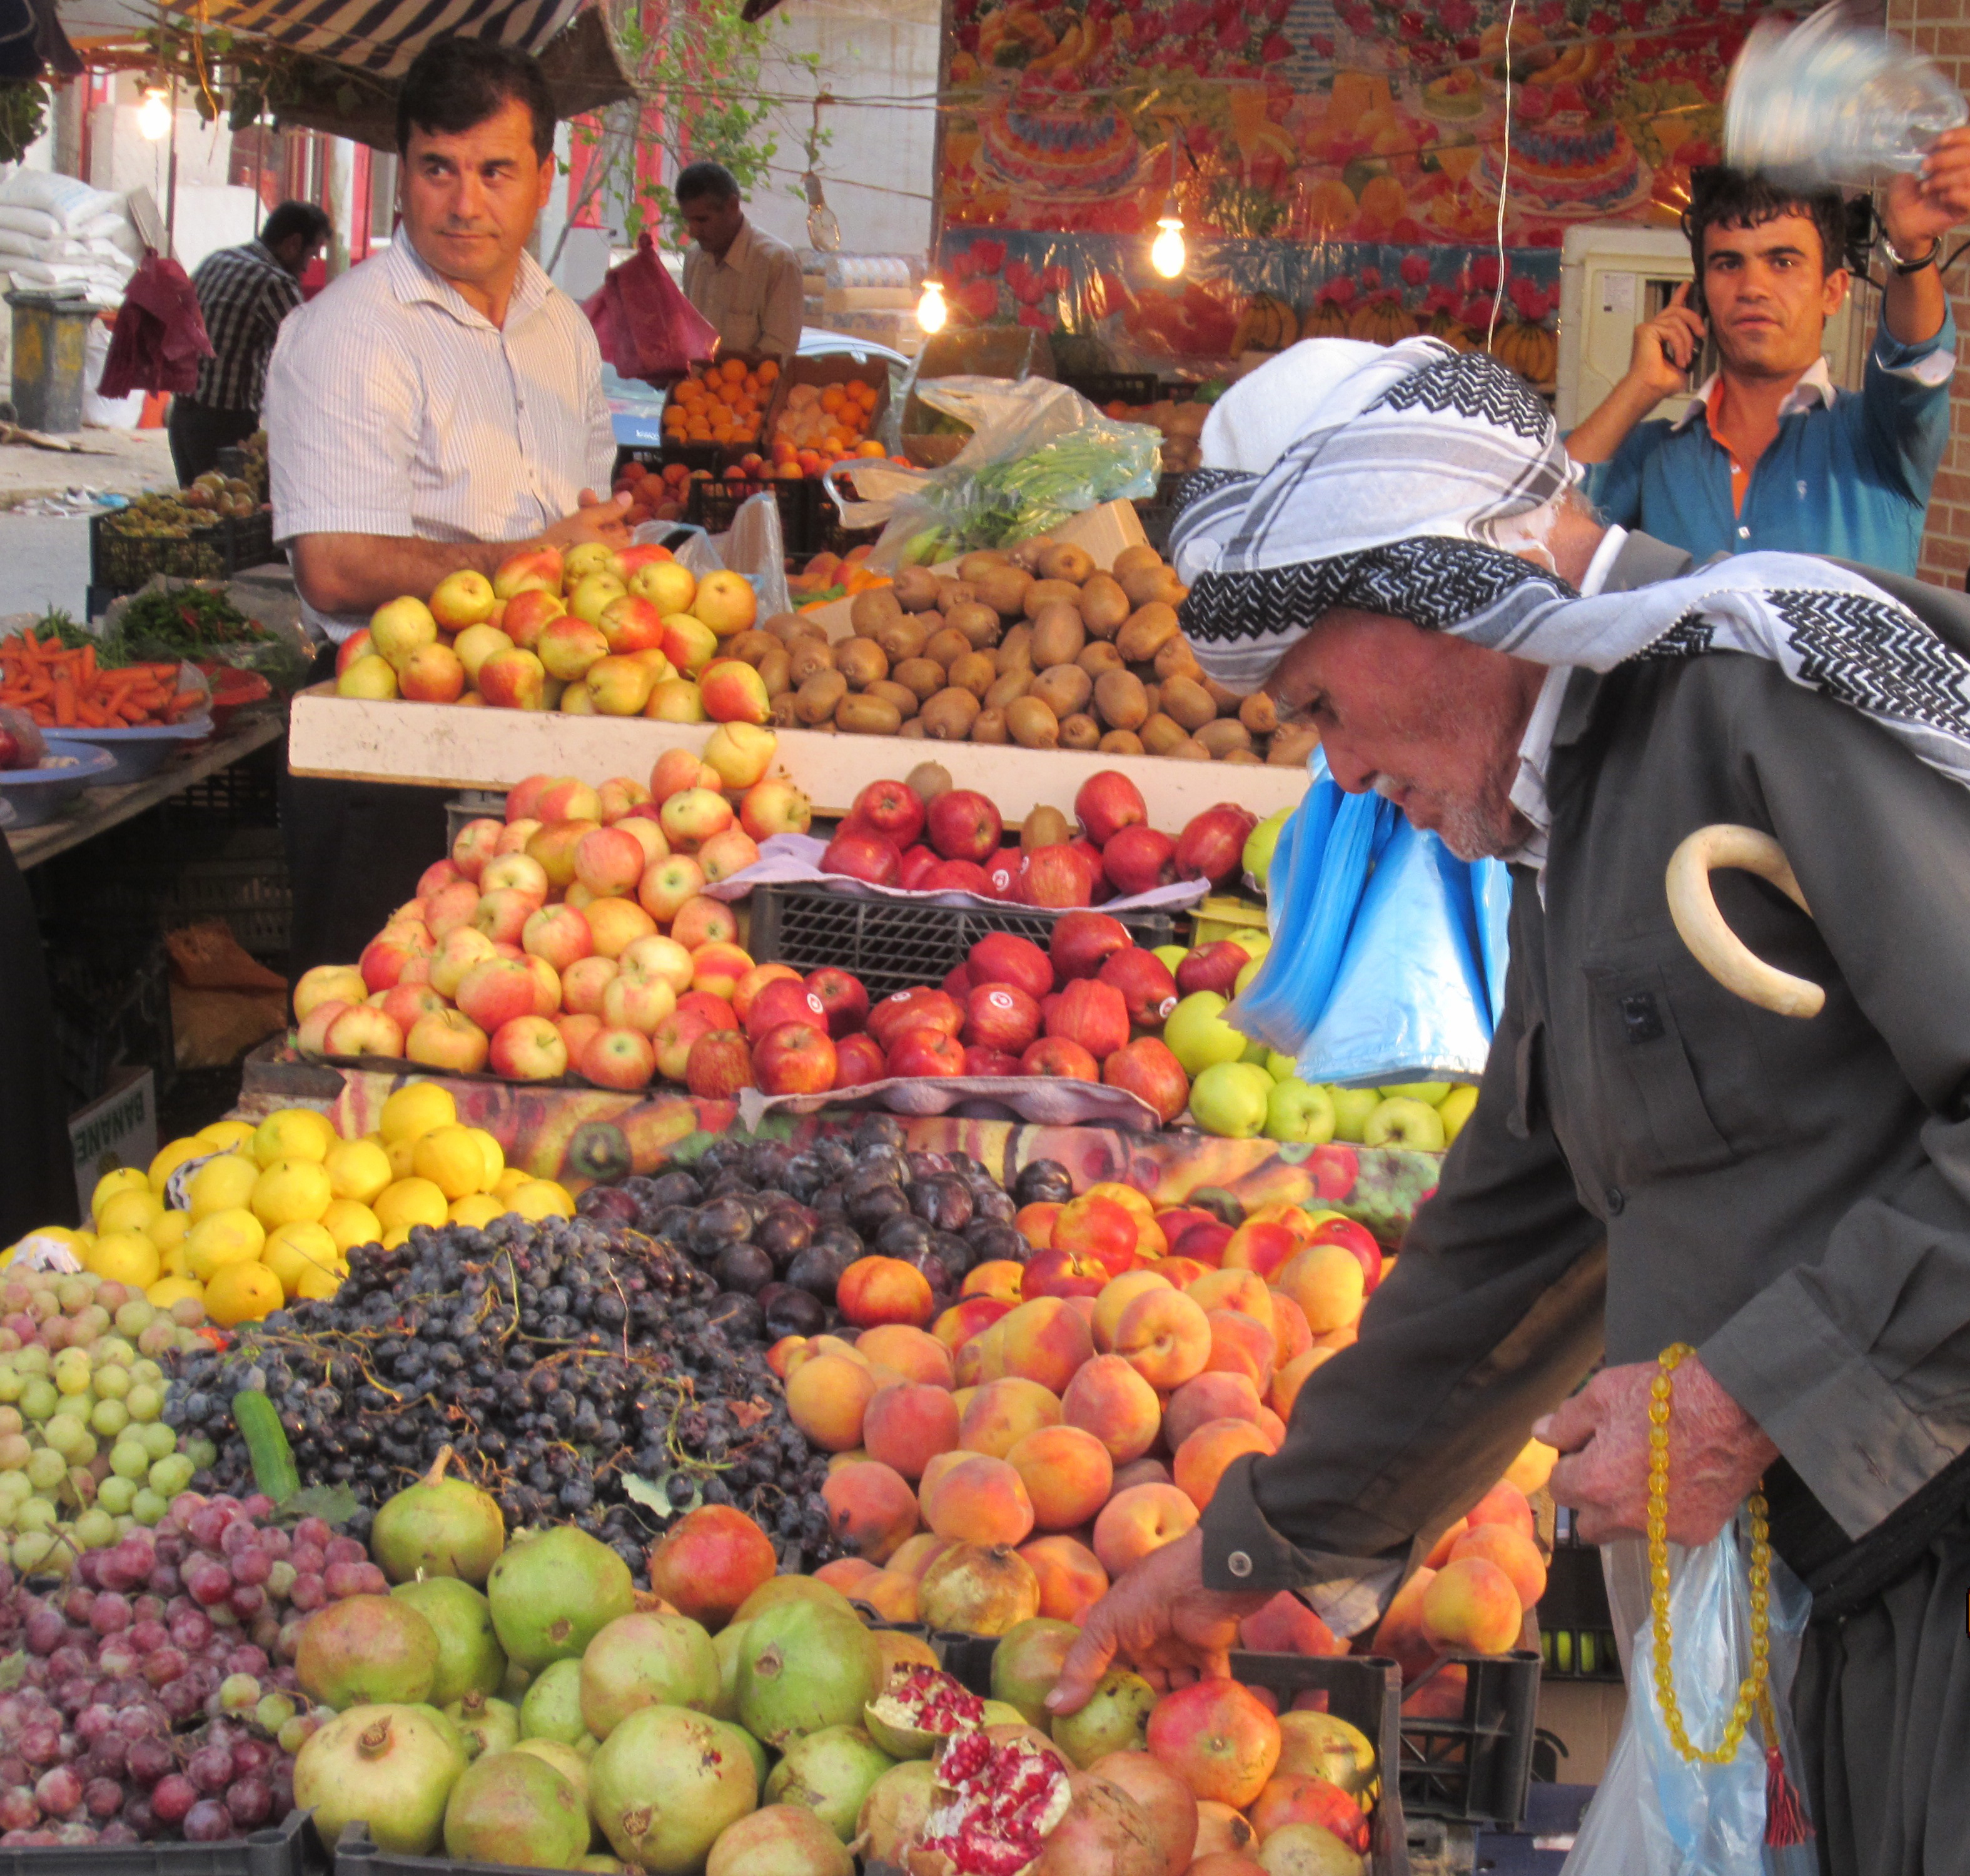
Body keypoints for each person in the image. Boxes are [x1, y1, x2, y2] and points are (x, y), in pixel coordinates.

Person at [1049, 335, 1970, 1876]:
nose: (1338, 770)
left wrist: (1758, 1389)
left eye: (1322, 702)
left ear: (1429, 590)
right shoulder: (1588, 790)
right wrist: (1254, 1549)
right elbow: (1521, 1218)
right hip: (1831, 1605)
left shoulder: (1759, 699)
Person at [262, 36, 628, 979]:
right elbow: (333, 566)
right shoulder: (348, 334)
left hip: (545, 739)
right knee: (377, 1029)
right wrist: (529, 557)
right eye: (439, 169)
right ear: (403, 174)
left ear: (546, 177)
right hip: (386, 752)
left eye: (496, 170)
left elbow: (582, 515)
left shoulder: (563, 329)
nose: (466, 202)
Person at [1566, 151, 1970, 576]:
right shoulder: (1653, 455)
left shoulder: (1877, 438)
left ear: (1832, 292)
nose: (1753, 287)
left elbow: (1918, 360)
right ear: (1702, 293)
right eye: (1728, 264)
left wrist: (1912, 251)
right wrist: (1637, 390)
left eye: (1783, 262)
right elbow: (1529, 525)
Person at [169, 201, 330, 486]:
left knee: (199, 514)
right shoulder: (274, 282)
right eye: (311, 254)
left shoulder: (216, 260)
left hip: (181, 417)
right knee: (230, 514)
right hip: (224, 426)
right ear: (293, 243)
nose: (307, 267)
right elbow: (311, 354)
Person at [677, 161, 804, 363]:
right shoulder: (694, 258)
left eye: (702, 220)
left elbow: (779, 352)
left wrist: (723, 376)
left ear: (732, 206)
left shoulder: (777, 263)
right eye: (688, 221)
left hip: (750, 393)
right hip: (691, 392)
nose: (693, 231)